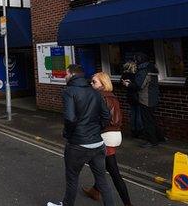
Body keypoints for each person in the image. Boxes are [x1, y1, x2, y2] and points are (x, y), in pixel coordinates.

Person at [47, 64, 113, 206]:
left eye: (66, 74)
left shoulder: (69, 92)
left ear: (71, 74)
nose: (65, 76)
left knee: (72, 178)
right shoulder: (95, 92)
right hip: (98, 143)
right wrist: (97, 129)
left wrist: (69, 135)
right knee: (102, 181)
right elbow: (107, 115)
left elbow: (70, 118)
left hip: (78, 145)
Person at [83, 72, 132, 206]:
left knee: (113, 172)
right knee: (101, 166)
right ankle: (95, 190)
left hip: (105, 136)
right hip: (115, 134)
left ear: (102, 84)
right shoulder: (112, 96)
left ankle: (128, 204)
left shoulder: (99, 97)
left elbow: (97, 119)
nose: (91, 84)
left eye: (94, 82)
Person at [134, 53, 166, 148]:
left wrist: (129, 85)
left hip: (146, 99)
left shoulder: (144, 71)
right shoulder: (152, 69)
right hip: (153, 97)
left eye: (136, 60)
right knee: (152, 119)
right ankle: (160, 137)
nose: (135, 62)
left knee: (147, 121)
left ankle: (152, 141)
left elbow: (139, 85)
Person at [121, 61, 143, 138]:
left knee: (133, 113)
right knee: (139, 114)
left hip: (129, 96)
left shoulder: (124, 75)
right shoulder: (134, 76)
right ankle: (139, 131)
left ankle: (133, 129)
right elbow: (137, 86)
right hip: (136, 96)